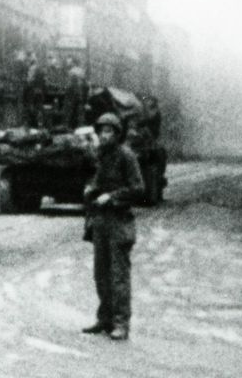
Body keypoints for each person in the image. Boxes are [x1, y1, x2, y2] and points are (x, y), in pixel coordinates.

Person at [82, 112, 145, 340]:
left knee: (119, 277)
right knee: (101, 274)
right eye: (101, 130)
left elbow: (138, 188)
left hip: (119, 222)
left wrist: (111, 196)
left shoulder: (126, 156)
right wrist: (92, 189)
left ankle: (121, 323)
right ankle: (105, 319)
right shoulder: (103, 156)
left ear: (117, 134)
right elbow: (98, 181)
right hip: (101, 222)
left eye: (108, 131)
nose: (103, 135)